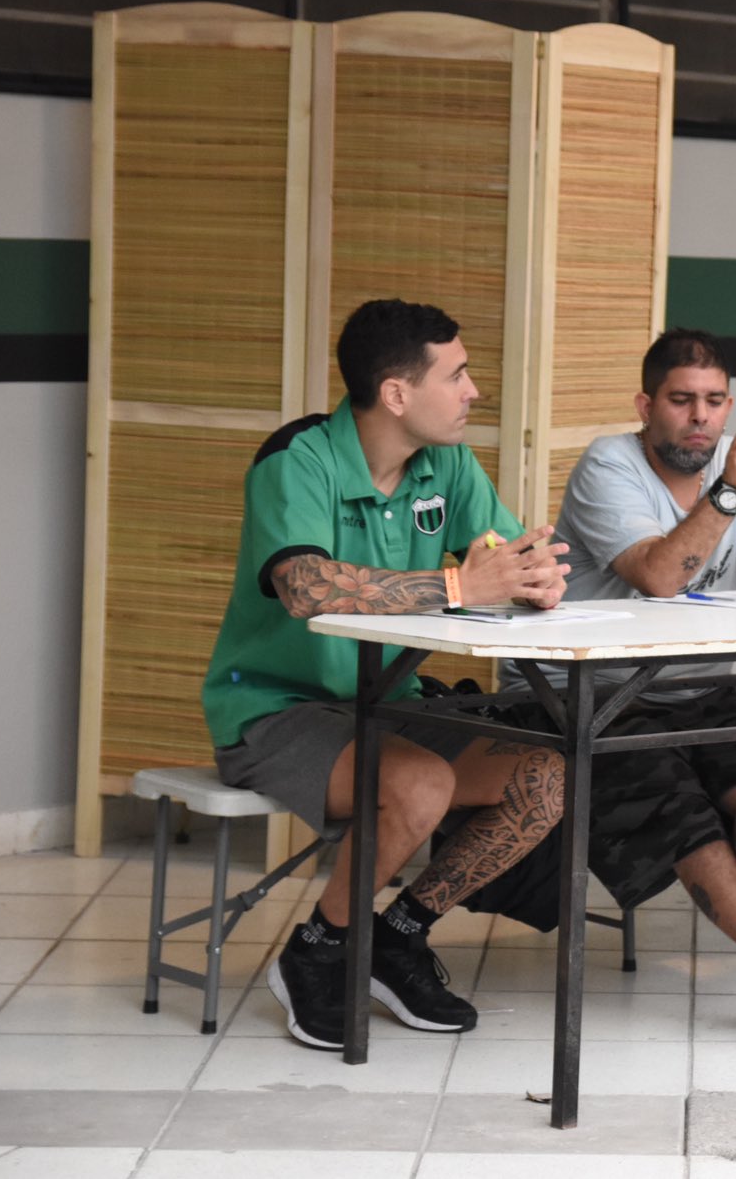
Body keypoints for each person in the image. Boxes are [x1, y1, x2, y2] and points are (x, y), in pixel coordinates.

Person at [486, 327, 736, 1047]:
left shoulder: (735, 472)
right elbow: (661, 575)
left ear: (729, 404)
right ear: (647, 405)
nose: (700, 417)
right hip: (590, 690)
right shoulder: (608, 464)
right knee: (682, 812)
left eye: (713, 401)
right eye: (681, 401)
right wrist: (734, 490)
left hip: (690, 683)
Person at [203, 299, 573, 1051]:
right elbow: (305, 588)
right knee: (420, 784)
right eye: (458, 374)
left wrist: (534, 577)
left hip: (388, 702)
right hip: (274, 711)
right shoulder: (296, 460)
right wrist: (465, 588)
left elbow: (504, 554)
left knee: (546, 777)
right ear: (398, 394)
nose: (474, 391)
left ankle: (398, 936)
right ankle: (318, 955)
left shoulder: (449, 464)